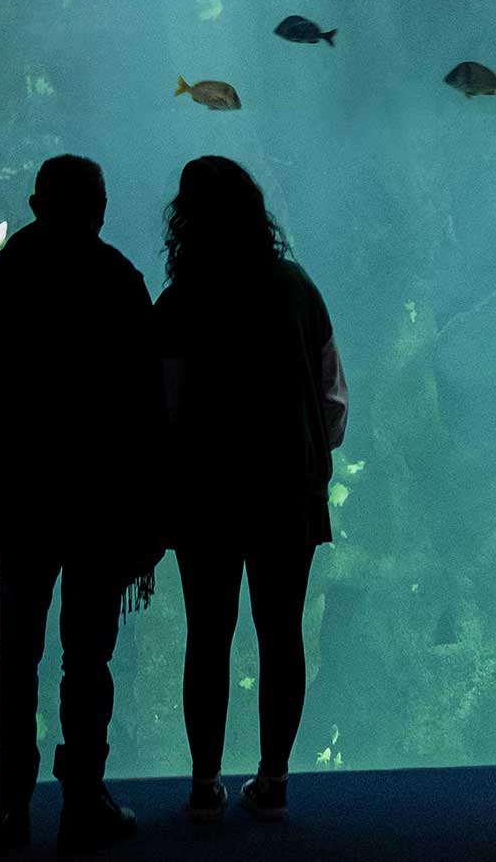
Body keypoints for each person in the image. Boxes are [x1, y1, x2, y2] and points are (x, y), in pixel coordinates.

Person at [0, 154, 159, 851]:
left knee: (16, 658)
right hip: (99, 507)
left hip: (20, 503)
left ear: (34, 203)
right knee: (87, 662)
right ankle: (84, 796)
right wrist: (149, 517)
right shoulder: (122, 284)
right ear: (101, 208)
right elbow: (150, 416)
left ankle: (8, 800)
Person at [149, 156, 346, 823]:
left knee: (208, 633)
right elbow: (332, 396)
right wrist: (309, 447)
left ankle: (205, 782)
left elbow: (163, 407)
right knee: (281, 630)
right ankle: (274, 778)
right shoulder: (297, 288)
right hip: (288, 490)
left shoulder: (180, 300)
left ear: (187, 219)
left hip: (204, 495)